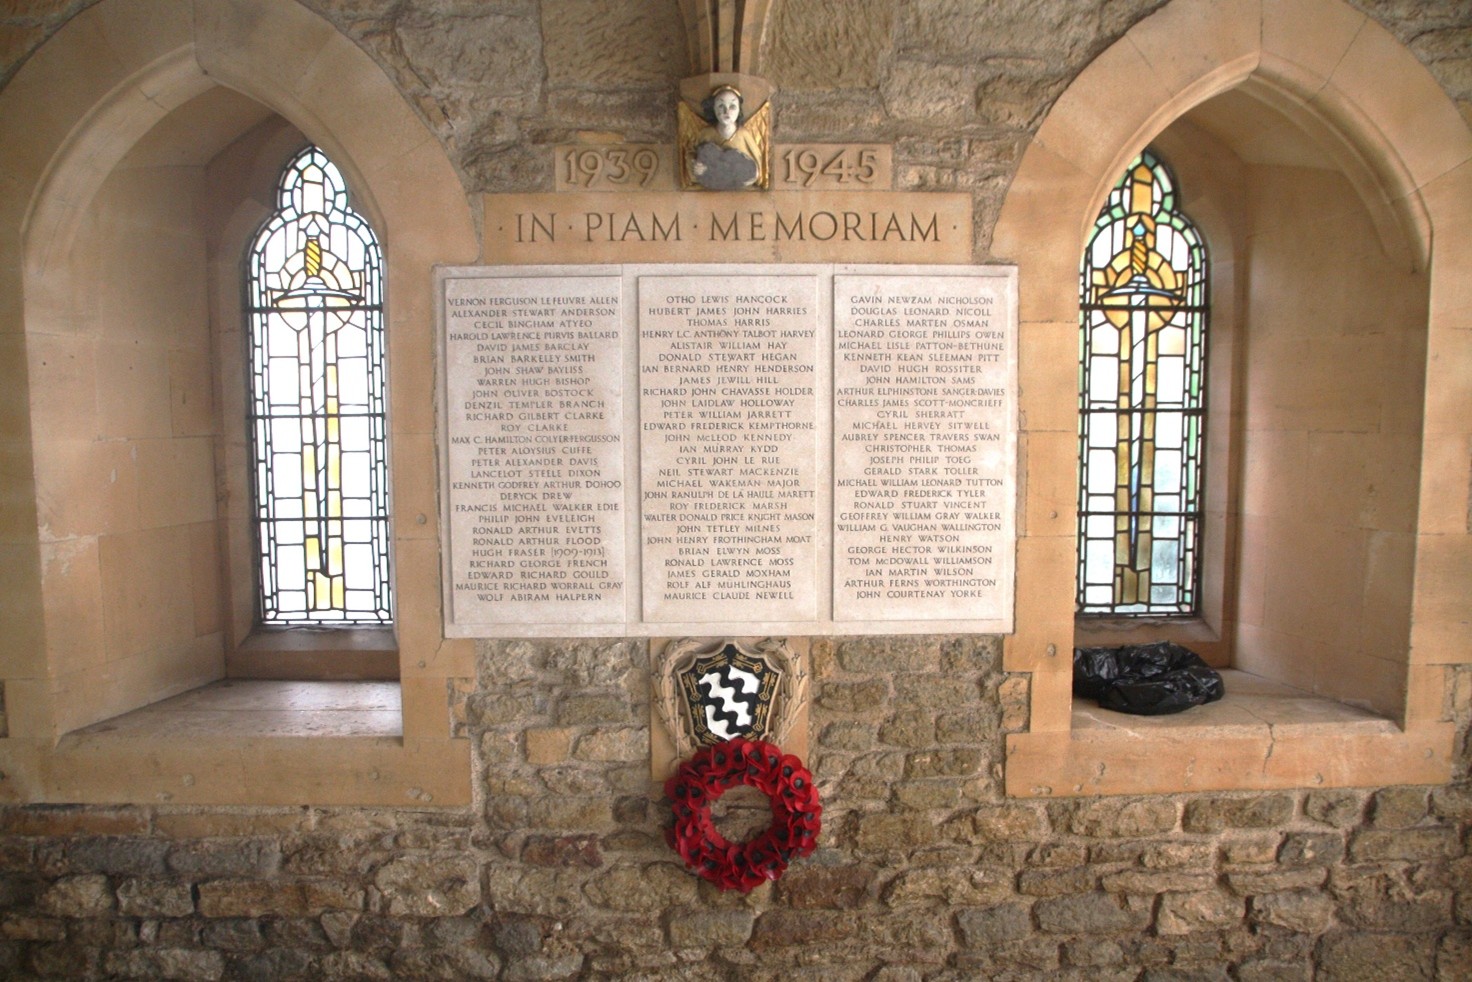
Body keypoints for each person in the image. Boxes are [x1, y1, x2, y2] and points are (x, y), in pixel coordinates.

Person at [685, 85, 767, 190]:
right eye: (721, 106)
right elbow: (691, 153)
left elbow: (758, 164)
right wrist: (695, 165)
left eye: (732, 106)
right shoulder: (706, 133)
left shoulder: (743, 135)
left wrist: (750, 175)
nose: (726, 111)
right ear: (713, 108)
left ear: (739, 110)